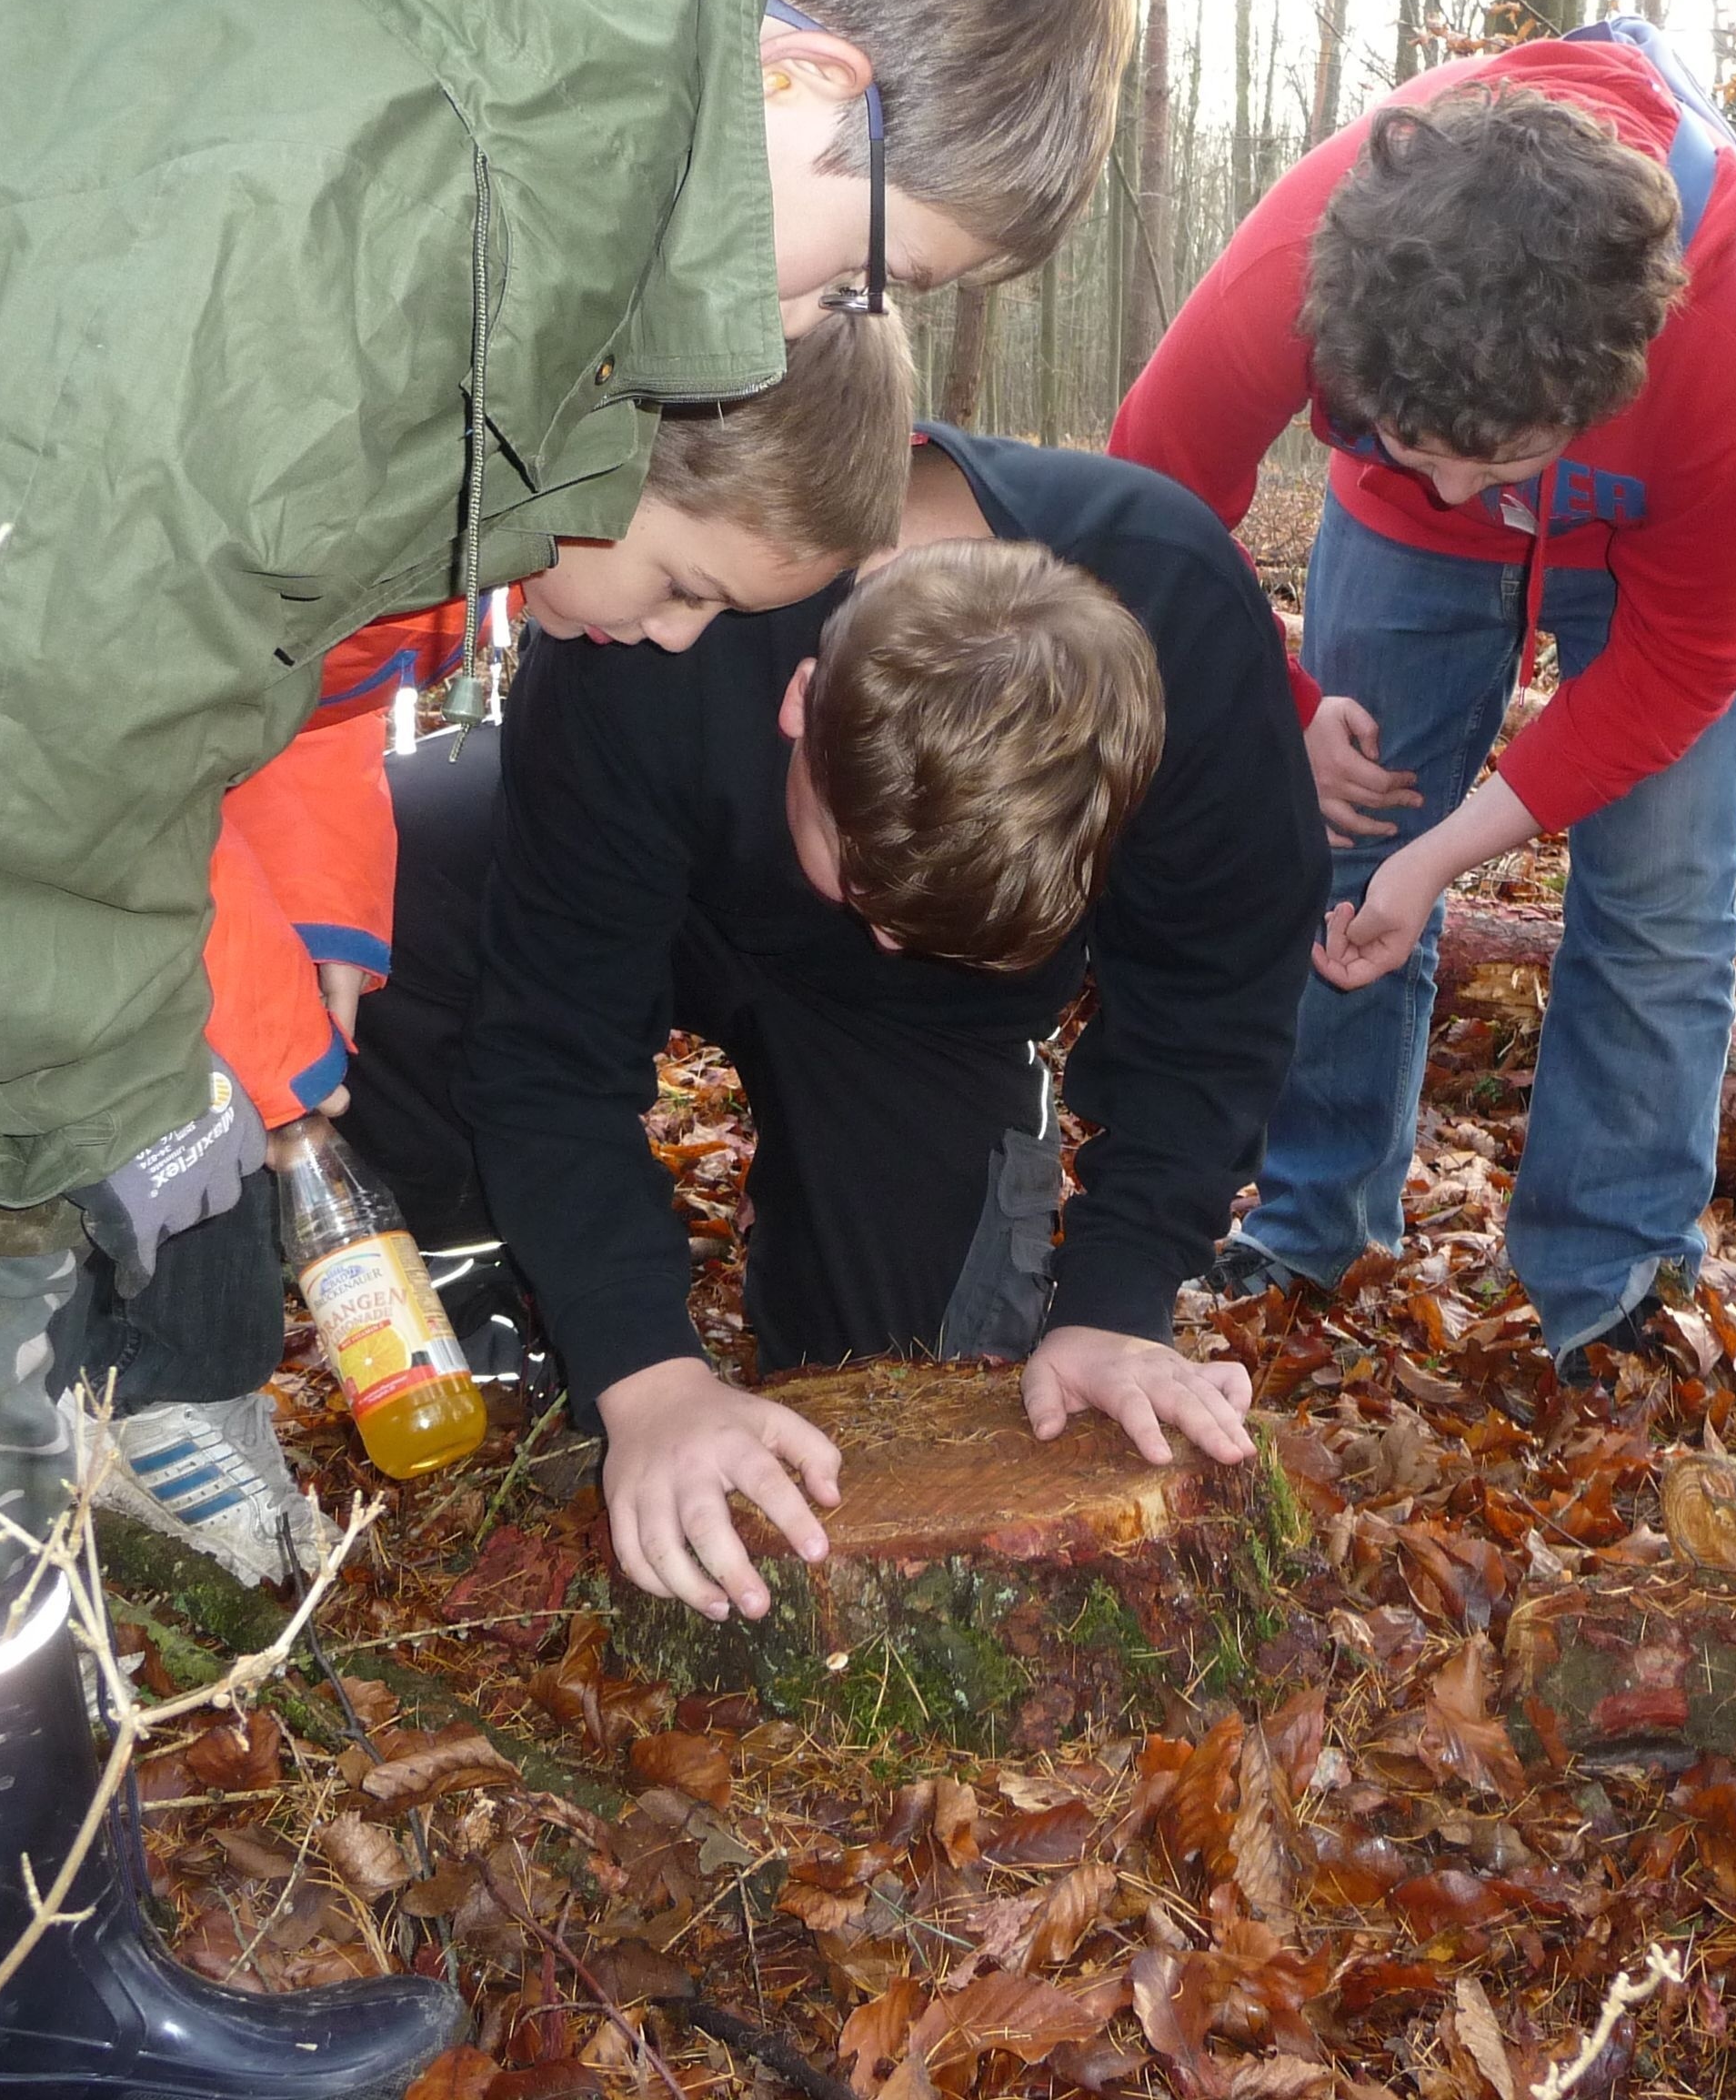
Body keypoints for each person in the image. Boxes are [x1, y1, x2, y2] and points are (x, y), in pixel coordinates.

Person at [0, 0, 1129, 2087]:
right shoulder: (387, 158)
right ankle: (13, 2019)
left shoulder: (486, 33)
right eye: (875, 264)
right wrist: (97, 1109)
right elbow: (44, 682)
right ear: (804, 85)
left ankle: (19, 1990)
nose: (822, 319)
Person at [376, 429, 1328, 1623]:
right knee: (397, 874)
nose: (879, 938)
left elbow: (1216, 1006)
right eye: (866, 891)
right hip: (665, 892)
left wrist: (1116, 1301)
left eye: (931, 926)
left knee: (893, 1403)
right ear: (800, 700)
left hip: (924, 1038)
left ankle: (861, 1189)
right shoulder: (670, 613)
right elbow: (550, 1045)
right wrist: (646, 1377)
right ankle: (495, 1288)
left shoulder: (1182, 609)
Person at [67, 309, 916, 1588]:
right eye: (683, 586)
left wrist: (323, 900)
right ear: (598, 448)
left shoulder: (479, 554)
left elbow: (312, 707)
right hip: (35, 806)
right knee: (185, 1098)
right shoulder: (353, 491)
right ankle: (144, 1396)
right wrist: (269, 1029)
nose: (682, 638)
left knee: (240, 1080)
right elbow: (135, 767)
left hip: (158, 817)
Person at [1109, 22, 1736, 1376]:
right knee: (1344, 836)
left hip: (1654, 526)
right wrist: (1282, 697)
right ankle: (1314, 1222)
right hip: (1396, 548)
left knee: (1659, 891)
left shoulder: (1726, 343)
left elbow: (1690, 659)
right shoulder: (1304, 255)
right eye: (1410, 445)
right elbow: (1150, 501)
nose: (1457, 492)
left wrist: (1449, 854)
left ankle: (1612, 1279)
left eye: (1492, 465)